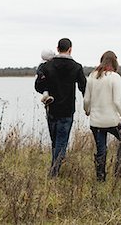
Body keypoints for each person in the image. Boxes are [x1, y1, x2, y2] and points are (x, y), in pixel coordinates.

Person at [35, 38, 87, 177]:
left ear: (57, 49)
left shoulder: (47, 66)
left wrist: (45, 89)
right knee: (61, 143)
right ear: (70, 49)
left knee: (55, 142)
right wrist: (88, 105)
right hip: (67, 110)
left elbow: (38, 86)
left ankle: (54, 170)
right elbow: (84, 87)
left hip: (51, 108)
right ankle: (54, 173)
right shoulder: (76, 67)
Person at [83, 50, 121, 182]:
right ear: (115, 62)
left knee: (101, 150)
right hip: (113, 121)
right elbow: (117, 102)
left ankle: (100, 178)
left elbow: (86, 100)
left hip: (96, 122)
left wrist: (87, 111)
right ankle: (118, 168)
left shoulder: (92, 76)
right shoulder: (115, 77)